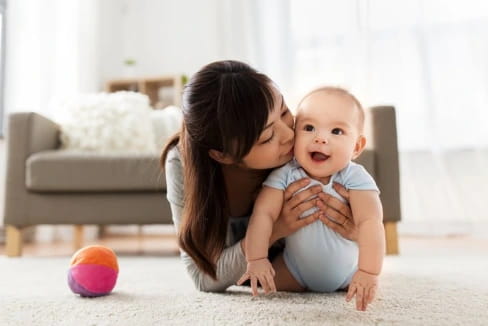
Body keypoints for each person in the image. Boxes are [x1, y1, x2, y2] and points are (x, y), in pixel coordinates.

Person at [160, 60, 358, 294]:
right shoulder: (182, 164)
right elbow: (203, 276)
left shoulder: (305, 150)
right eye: (267, 137)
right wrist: (274, 229)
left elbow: (360, 216)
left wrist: (354, 229)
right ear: (223, 155)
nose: (288, 135)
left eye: (284, 112)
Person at [238, 87, 385, 311]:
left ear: (356, 146)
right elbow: (263, 215)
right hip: (295, 270)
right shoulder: (285, 174)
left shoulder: (355, 177)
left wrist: (368, 272)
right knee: (258, 288)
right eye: (309, 127)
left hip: (349, 273)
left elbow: (371, 223)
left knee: (364, 284)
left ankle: (360, 279)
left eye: (336, 131)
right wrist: (257, 259)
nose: (320, 139)